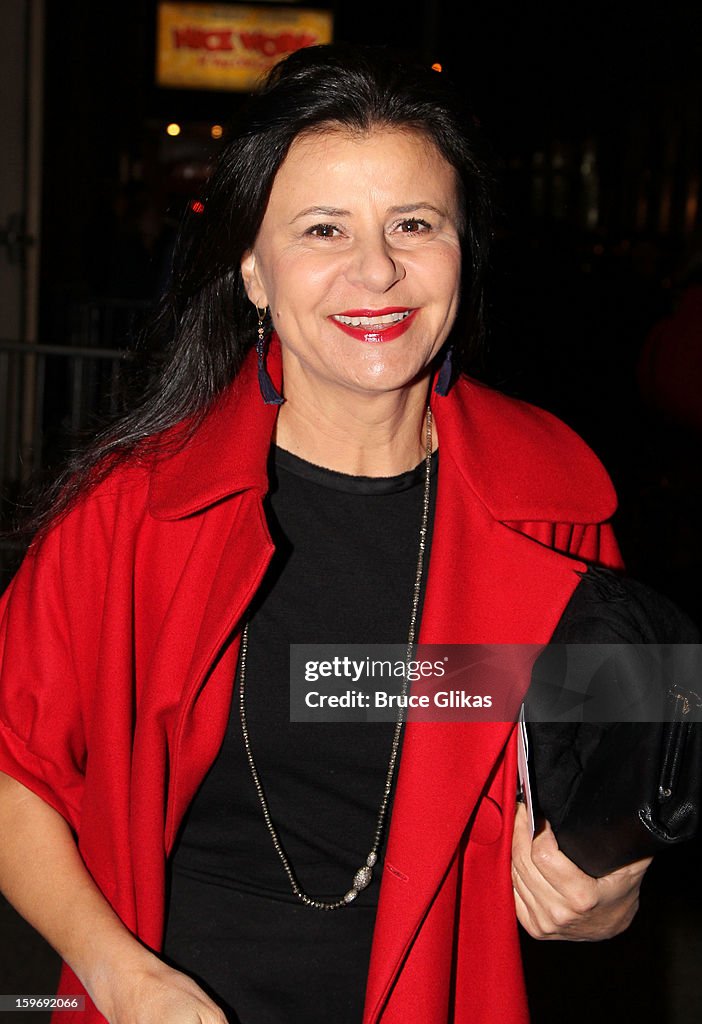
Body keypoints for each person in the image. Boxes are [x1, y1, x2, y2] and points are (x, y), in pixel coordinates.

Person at [0, 44, 651, 1024]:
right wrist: (118, 973)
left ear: (462, 251)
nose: (377, 269)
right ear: (253, 272)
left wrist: (608, 891)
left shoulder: (563, 506)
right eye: (323, 229)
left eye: (415, 224)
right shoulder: (130, 512)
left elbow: (616, 801)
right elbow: (13, 772)